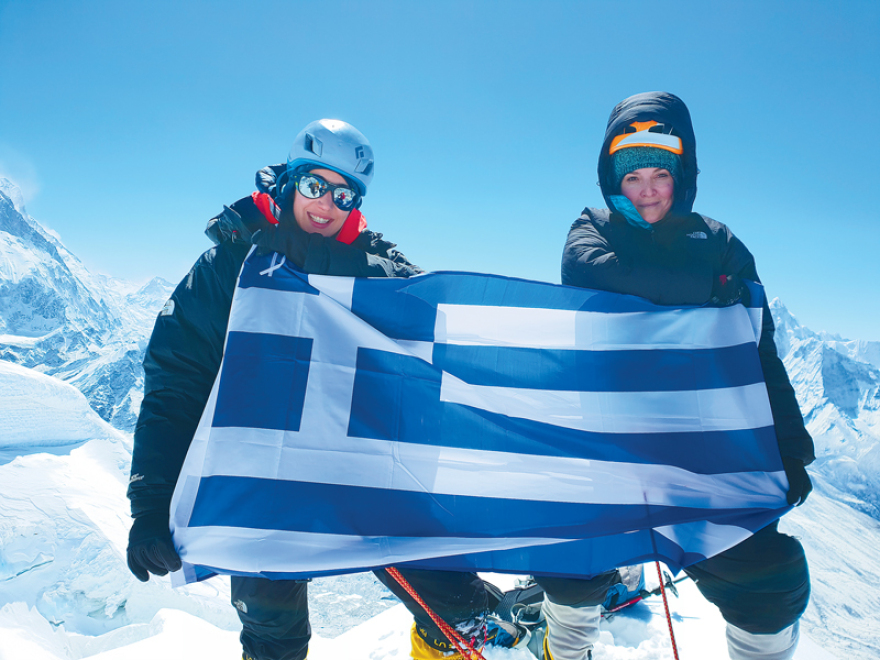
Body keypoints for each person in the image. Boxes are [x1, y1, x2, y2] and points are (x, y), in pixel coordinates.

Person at [125, 119, 493, 660]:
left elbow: (441, 349)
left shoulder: (378, 276)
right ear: (289, 180)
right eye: (316, 185)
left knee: (454, 604)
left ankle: (468, 636)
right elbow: (176, 383)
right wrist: (151, 502)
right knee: (273, 637)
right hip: (258, 475)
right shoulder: (231, 265)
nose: (326, 204)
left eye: (344, 194)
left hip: (352, 462)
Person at [549, 92, 814, 660]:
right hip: (606, 439)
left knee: (768, 579)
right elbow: (595, 274)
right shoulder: (590, 228)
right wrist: (710, 293)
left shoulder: (719, 242)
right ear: (611, 178)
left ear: (683, 176)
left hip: (696, 448)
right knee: (572, 568)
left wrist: (791, 447)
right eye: (633, 175)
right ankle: (565, 650)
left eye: (660, 175)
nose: (646, 190)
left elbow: (757, 352)